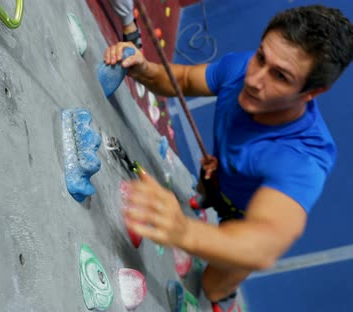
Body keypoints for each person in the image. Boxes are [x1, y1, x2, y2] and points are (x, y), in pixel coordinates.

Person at [103, 5, 353, 312]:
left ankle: (226, 294)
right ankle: (207, 199)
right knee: (204, 190)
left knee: (212, 285)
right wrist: (143, 68)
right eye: (261, 57)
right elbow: (181, 80)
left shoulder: (304, 156)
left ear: (310, 93)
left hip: (246, 219)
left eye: (280, 76)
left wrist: (183, 230)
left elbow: (264, 242)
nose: (254, 79)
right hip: (220, 178)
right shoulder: (241, 68)